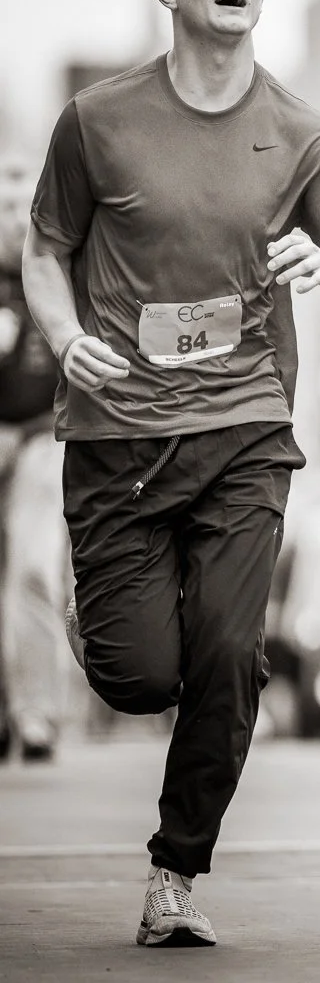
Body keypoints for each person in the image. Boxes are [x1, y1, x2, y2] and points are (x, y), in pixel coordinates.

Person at [22, 0, 320, 948]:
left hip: (244, 421)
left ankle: (175, 875)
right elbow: (46, 248)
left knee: (230, 655)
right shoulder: (97, 120)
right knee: (139, 674)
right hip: (115, 432)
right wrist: (60, 334)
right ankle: (102, 615)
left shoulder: (303, 130)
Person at [0, 152, 70, 764]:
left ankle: (37, 712)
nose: (14, 220)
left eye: (24, 208)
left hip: (46, 436)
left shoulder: (57, 271)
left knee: (31, 567)